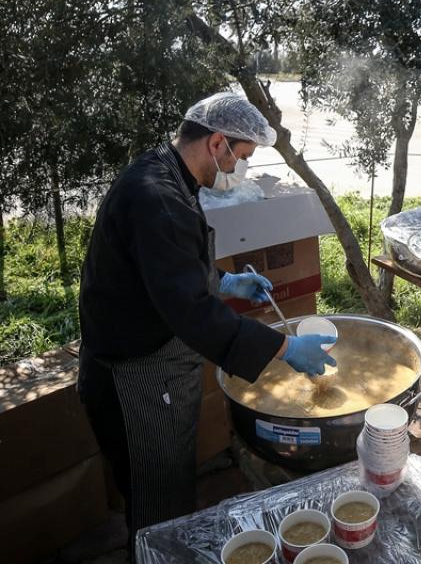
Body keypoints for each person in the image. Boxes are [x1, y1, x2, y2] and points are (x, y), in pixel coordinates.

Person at [77, 92, 338, 537]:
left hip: (156, 363)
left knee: (172, 484)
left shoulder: (168, 174)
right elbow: (191, 311)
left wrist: (224, 281)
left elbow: (169, 267)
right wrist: (284, 347)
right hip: (136, 375)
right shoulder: (156, 197)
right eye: (242, 157)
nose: (241, 169)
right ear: (217, 143)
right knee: (157, 502)